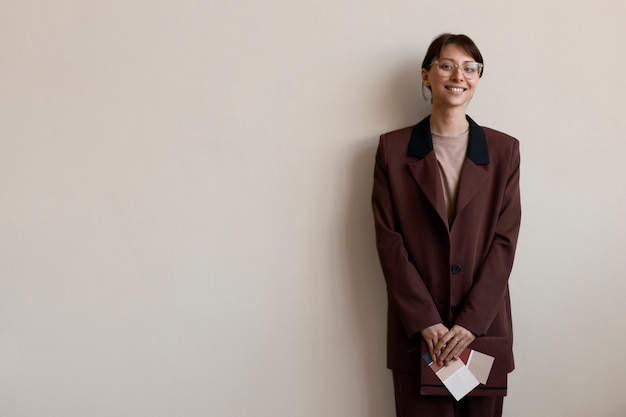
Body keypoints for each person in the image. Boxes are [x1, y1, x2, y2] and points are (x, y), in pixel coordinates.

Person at [371, 33, 521, 417]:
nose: (460, 75)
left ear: (479, 77)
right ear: (427, 74)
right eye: (447, 65)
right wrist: (427, 322)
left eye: (471, 67)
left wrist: (470, 323)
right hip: (421, 336)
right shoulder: (393, 149)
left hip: (483, 330)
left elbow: (504, 243)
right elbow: (390, 243)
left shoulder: (504, 151)